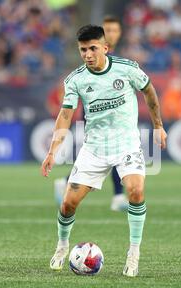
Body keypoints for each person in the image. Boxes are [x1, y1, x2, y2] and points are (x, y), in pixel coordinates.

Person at [41, 25, 167, 277]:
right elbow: (65, 115)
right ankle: (62, 245)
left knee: (136, 190)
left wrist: (158, 126)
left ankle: (133, 254)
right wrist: (53, 150)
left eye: (92, 49)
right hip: (94, 148)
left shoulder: (127, 68)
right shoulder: (75, 80)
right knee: (68, 204)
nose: (87, 54)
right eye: (83, 50)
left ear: (105, 48)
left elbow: (149, 92)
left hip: (127, 144)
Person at [53, 16, 128, 212]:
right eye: (108, 30)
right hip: (98, 116)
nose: (112, 34)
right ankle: (117, 196)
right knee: (110, 153)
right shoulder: (92, 54)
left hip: (116, 116)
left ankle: (116, 195)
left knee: (115, 153)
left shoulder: (115, 58)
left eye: (115, 30)